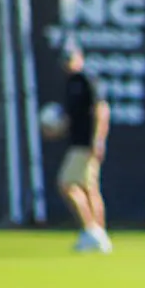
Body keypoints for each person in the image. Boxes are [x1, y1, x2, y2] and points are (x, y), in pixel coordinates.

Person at [57, 41, 112, 253]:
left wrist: (98, 140)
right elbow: (71, 118)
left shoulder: (87, 79)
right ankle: (99, 234)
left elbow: (101, 110)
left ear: (79, 57)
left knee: (67, 184)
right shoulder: (70, 83)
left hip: (85, 144)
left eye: (71, 58)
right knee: (89, 188)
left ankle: (92, 231)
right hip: (76, 142)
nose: (68, 63)